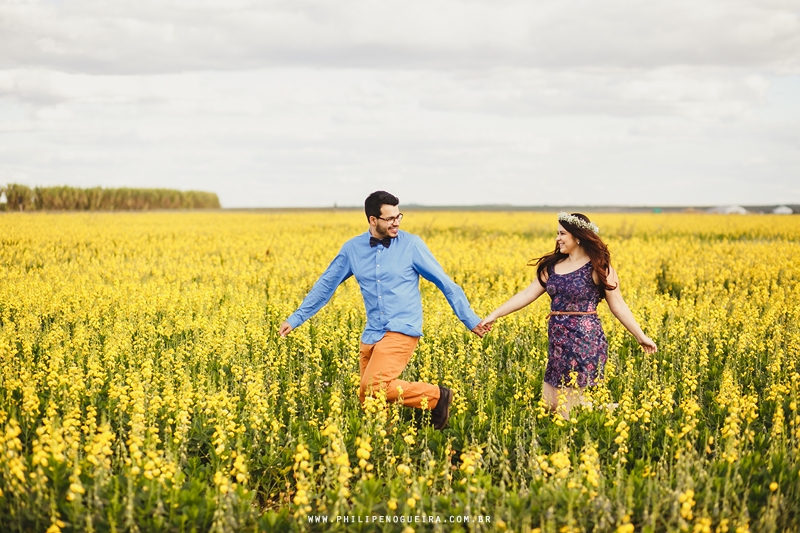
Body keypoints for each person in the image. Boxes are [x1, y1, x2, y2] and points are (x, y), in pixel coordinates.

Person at [279, 191, 488, 430]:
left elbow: (445, 282)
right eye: (389, 218)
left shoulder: (411, 245)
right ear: (373, 220)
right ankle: (383, 444)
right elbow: (326, 285)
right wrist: (295, 319)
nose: (396, 222)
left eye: (398, 216)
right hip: (372, 334)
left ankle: (437, 397)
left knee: (373, 387)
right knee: (370, 401)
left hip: (402, 329)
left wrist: (470, 319)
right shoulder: (352, 249)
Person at [480, 212, 657, 419]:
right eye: (557, 233)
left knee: (566, 409)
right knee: (550, 403)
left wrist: (640, 336)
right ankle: (617, 410)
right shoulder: (552, 267)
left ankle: (596, 427)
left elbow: (618, 305)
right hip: (558, 341)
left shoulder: (598, 268)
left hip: (584, 341)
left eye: (562, 233)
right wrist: (495, 314)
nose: (558, 238)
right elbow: (527, 294)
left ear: (578, 236)